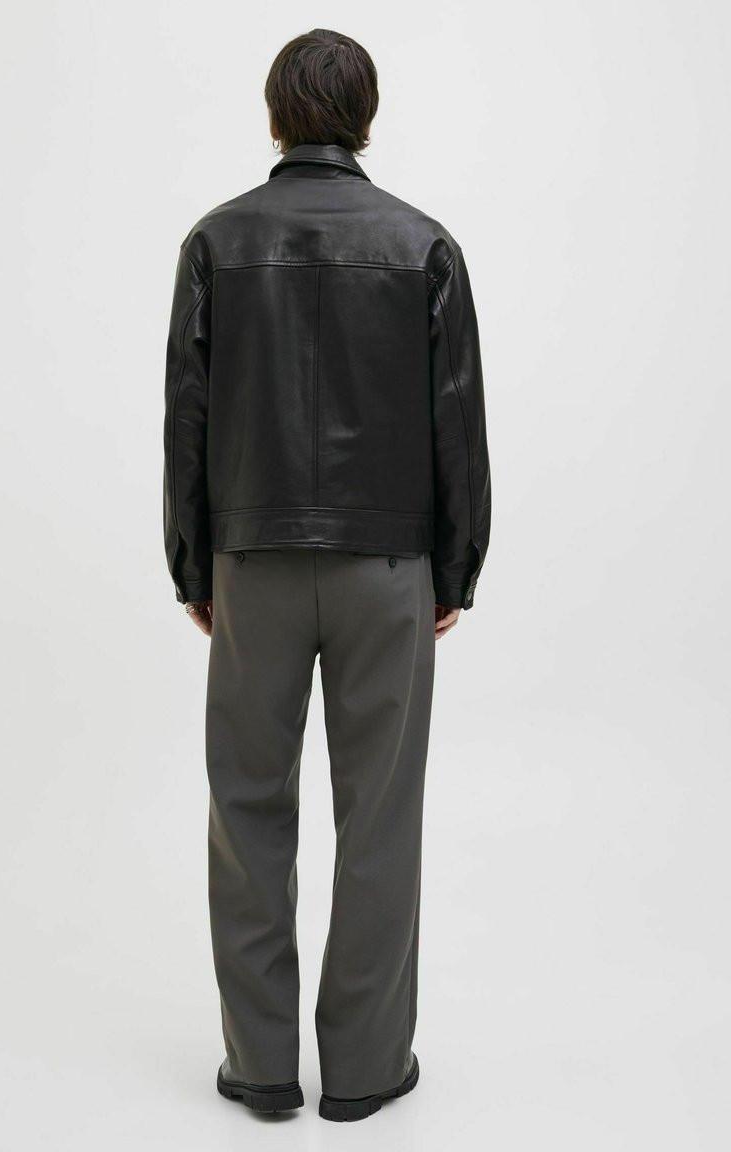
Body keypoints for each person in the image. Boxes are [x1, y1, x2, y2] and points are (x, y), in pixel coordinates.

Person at [162, 27, 492, 1123]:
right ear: (367, 118)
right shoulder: (422, 244)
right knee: (380, 819)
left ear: (274, 119)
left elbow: (186, 420)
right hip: (386, 566)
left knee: (247, 812)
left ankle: (259, 1068)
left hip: (251, 562)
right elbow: (457, 423)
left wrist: (193, 567)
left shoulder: (215, 241)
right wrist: (453, 571)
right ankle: (365, 1071)